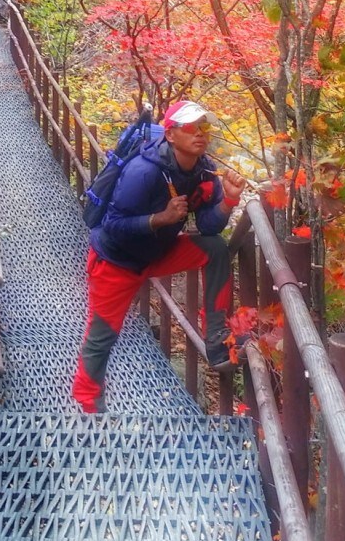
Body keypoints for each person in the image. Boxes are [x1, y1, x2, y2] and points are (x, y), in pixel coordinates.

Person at [72, 99, 247, 413]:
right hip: (117, 261)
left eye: (204, 127)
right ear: (170, 135)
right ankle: (89, 405)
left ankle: (217, 339)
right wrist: (160, 219)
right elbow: (112, 227)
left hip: (159, 251)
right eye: (190, 127)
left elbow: (208, 227)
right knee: (102, 336)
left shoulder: (205, 171)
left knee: (215, 249)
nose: (200, 133)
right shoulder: (143, 172)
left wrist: (228, 202)